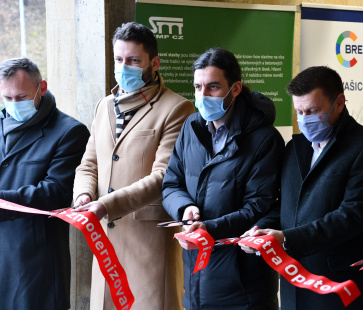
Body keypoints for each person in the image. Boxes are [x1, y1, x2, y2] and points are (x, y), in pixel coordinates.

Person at [240, 66, 363, 309]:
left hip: (342, 289)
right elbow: (288, 208)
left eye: (313, 110)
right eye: (299, 111)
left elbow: (352, 216)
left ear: (340, 103)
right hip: (293, 287)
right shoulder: (294, 147)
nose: (305, 118)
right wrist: (261, 230)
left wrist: (285, 238)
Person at [72, 22, 194, 310]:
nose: (123, 67)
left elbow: (164, 176)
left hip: (148, 244)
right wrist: (84, 196)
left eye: (133, 61)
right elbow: (89, 163)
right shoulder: (104, 106)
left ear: (154, 63)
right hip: (105, 240)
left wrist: (106, 204)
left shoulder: (177, 108)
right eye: (118, 60)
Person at [162, 47, 284, 310]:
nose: (202, 96)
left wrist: (210, 229)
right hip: (196, 274)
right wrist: (185, 208)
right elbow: (171, 183)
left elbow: (258, 207)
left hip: (242, 281)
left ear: (236, 88)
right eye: (197, 87)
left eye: (213, 87)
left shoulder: (264, 139)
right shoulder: (191, 127)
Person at [0, 57, 89, 310]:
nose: (14, 104)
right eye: (7, 98)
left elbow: (55, 192)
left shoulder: (69, 132)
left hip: (35, 258)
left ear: (42, 87)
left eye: (21, 97)